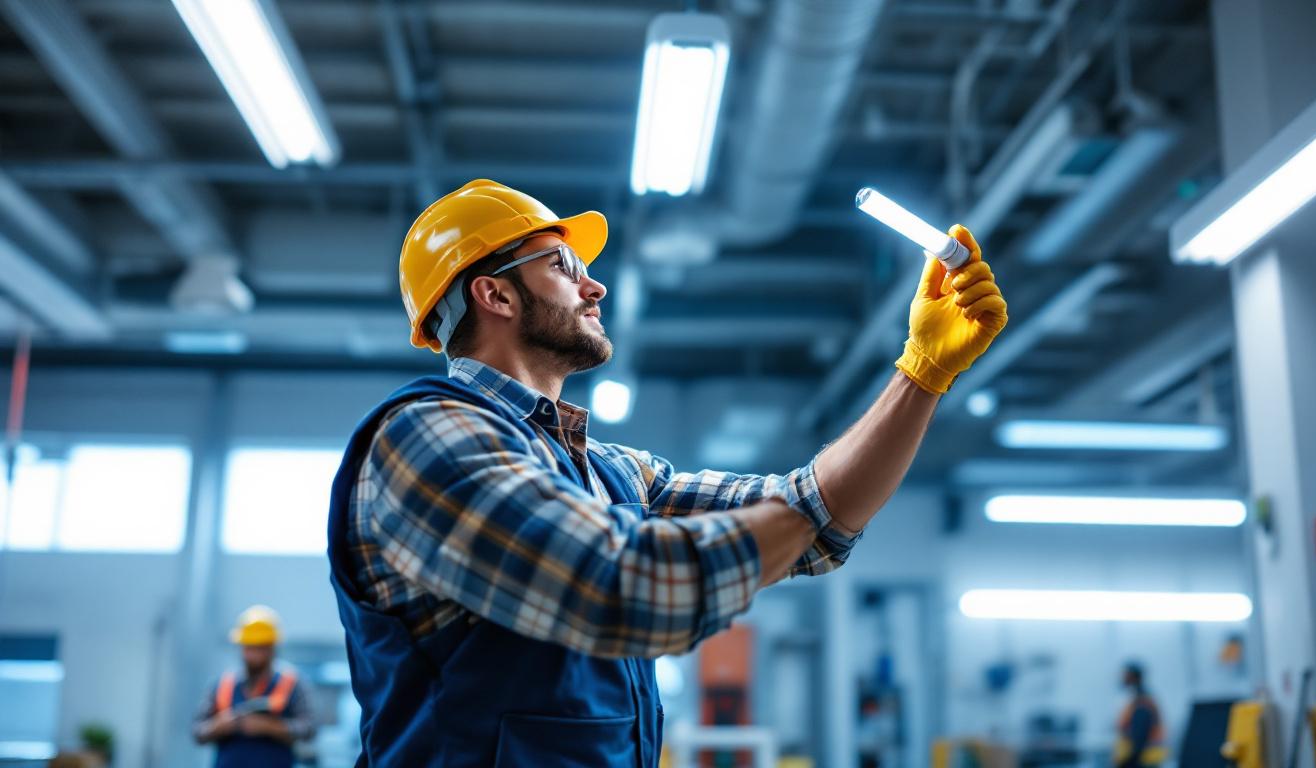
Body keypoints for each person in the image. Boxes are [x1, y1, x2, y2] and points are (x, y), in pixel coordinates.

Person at [326, 178, 1009, 766]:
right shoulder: (424, 437)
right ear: (494, 295)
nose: (594, 285)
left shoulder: (613, 473)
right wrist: (799, 522)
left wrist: (923, 371)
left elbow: (817, 515)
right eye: (563, 264)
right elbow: (624, 589)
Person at [193, 606, 315, 768]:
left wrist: (268, 726)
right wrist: (220, 725)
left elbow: (309, 729)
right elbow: (197, 732)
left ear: (272, 649)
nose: (253, 655)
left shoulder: (292, 683)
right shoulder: (222, 684)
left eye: (260, 648)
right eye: (249, 647)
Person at [1113, 662, 1167, 767]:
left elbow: (1140, 735)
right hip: (1143, 759)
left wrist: (1128, 761)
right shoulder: (1138, 699)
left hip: (1142, 760)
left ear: (1133, 677)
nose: (1123, 678)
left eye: (1125, 675)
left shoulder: (1142, 701)